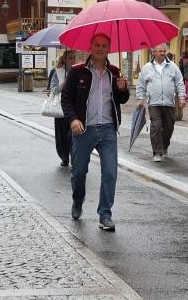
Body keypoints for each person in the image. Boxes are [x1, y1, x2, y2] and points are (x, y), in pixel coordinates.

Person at [61, 33, 129, 231]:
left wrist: (123, 89)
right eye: (97, 45)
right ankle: (77, 200)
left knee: (110, 172)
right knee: (79, 172)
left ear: (109, 48)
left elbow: (122, 100)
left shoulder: (114, 72)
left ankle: (105, 214)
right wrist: (73, 119)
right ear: (91, 47)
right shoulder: (77, 72)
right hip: (84, 129)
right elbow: (66, 98)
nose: (100, 48)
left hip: (108, 129)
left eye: (104, 45)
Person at [136, 43, 186, 162]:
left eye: (164, 51)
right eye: (160, 51)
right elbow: (141, 85)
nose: (163, 53)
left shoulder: (172, 66)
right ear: (153, 52)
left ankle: (164, 146)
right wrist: (140, 99)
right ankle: (157, 152)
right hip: (154, 103)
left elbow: (179, 82)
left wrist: (182, 97)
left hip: (169, 102)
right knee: (156, 126)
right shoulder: (147, 67)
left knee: (169, 127)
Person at [49, 50, 76, 166]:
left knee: (72, 135)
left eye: (74, 58)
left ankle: (74, 156)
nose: (73, 60)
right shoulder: (57, 72)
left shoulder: (77, 71)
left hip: (74, 107)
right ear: (64, 59)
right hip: (60, 108)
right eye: (70, 58)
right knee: (61, 136)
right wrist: (63, 84)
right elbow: (53, 89)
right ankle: (64, 157)